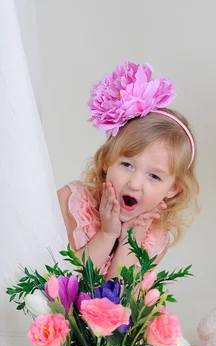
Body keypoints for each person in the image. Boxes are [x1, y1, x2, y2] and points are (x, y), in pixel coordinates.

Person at [57, 62, 199, 278]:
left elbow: (113, 302)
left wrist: (128, 240)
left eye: (154, 176)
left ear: (173, 188)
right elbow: (60, 283)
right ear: (107, 161)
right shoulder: (73, 204)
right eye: (127, 165)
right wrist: (107, 233)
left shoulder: (154, 240)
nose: (134, 183)